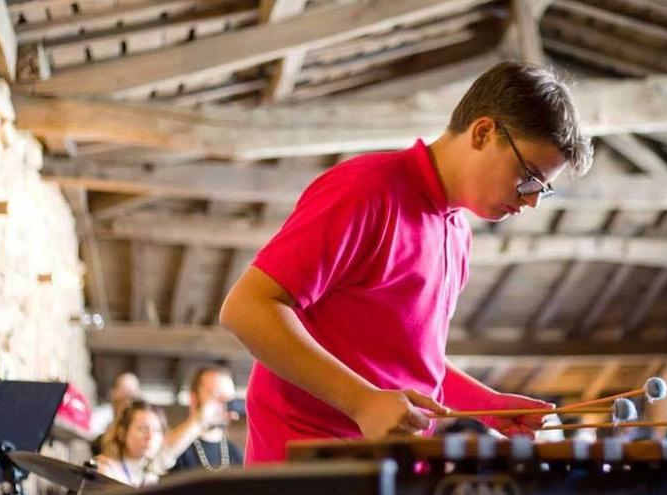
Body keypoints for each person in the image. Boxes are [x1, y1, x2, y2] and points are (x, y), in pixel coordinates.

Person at [220, 62, 593, 464]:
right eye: (529, 177)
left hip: (387, 463)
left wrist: (489, 405)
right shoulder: (367, 191)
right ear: (484, 132)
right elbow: (247, 308)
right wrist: (363, 402)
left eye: (543, 189)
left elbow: (411, 364)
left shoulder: (457, 234)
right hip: (309, 463)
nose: (532, 199)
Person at [163, 366, 244, 472]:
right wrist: (200, 421)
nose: (225, 403)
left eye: (228, 397)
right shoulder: (178, 445)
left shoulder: (235, 453)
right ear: (194, 399)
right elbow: (157, 460)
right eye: (217, 395)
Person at [95, 400, 165, 487]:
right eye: (143, 429)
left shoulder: (150, 478)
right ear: (122, 433)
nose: (150, 436)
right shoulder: (104, 469)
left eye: (157, 430)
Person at [91, 372, 141, 456]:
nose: (128, 394)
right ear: (113, 392)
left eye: (132, 390)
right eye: (124, 388)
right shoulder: (100, 415)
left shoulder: (140, 419)